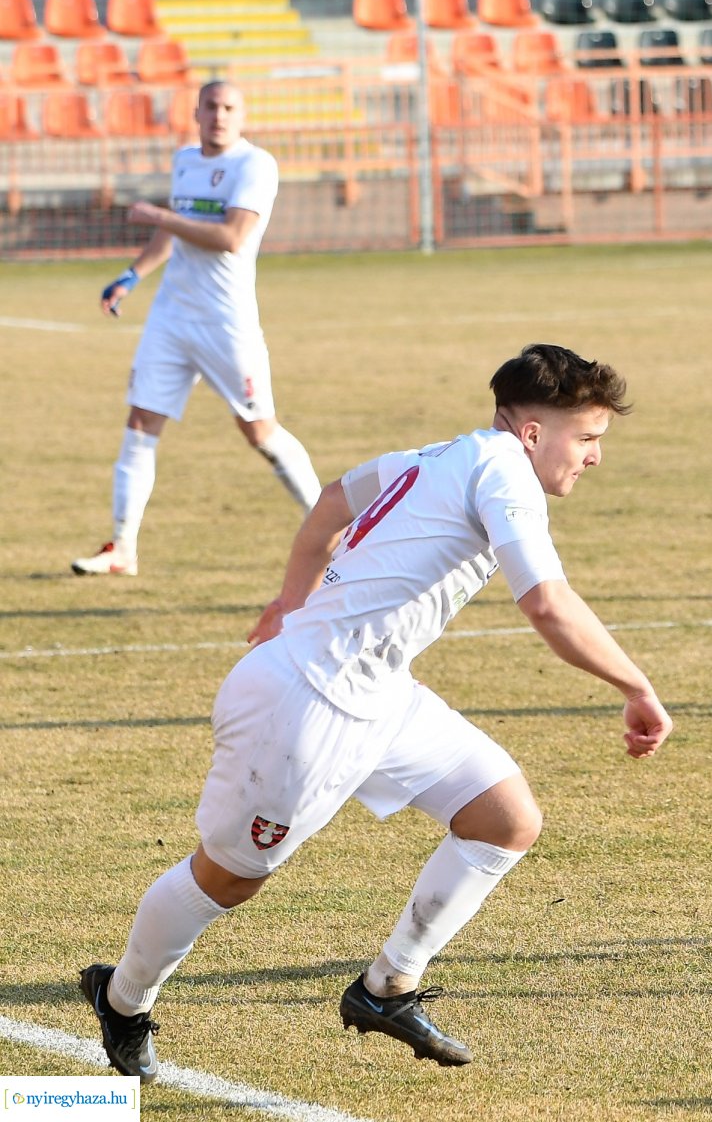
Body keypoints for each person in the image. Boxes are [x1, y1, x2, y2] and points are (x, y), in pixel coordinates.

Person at [79, 345, 673, 1080]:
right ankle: (123, 997)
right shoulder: (503, 473)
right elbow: (547, 604)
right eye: (586, 438)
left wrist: (295, 602)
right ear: (531, 434)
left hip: (379, 692)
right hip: (307, 702)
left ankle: (387, 986)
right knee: (230, 879)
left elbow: (333, 500)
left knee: (505, 819)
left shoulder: (445, 454)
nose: (594, 458)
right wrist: (637, 688)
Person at [74, 80, 322, 577]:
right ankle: (123, 547)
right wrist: (133, 274)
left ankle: (335, 526)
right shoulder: (185, 159)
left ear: (242, 114)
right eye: (211, 106)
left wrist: (162, 214)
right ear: (196, 112)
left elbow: (231, 237)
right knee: (141, 422)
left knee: (258, 431)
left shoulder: (255, 166)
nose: (220, 115)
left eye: (230, 106)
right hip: (171, 317)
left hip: (225, 322)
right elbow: (174, 230)